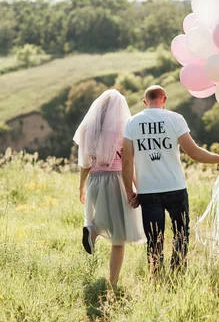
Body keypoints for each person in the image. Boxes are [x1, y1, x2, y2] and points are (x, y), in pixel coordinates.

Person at [122, 85, 219, 273]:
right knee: (181, 233)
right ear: (164, 99)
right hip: (175, 187)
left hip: (148, 190)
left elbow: (126, 160)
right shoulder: (175, 119)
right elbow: (193, 153)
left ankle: (156, 277)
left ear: (145, 102)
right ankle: (178, 273)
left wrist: (129, 191)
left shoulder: (132, 123)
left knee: (153, 237)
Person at [74, 89, 145, 288]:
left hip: (95, 181)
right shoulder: (124, 127)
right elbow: (127, 162)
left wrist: (81, 186)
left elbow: (85, 162)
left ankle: (92, 229)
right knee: (119, 236)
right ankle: (112, 282)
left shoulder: (88, 128)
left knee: (105, 219)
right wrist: (137, 186)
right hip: (116, 180)